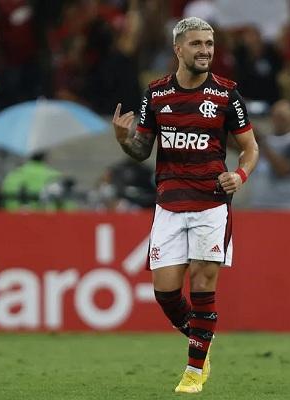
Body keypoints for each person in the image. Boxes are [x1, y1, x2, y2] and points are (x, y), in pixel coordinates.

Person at [112, 17, 259, 393]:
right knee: (165, 292)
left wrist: (239, 177)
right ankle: (201, 342)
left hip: (211, 203)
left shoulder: (227, 95)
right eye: (197, 44)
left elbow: (249, 149)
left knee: (203, 284)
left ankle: (194, 371)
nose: (205, 51)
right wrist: (123, 140)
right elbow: (142, 150)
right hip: (169, 203)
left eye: (209, 44)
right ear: (178, 49)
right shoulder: (156, 95)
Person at [249, 100, 290, 210]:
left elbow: (283, 170)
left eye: (283, 118)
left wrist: (262, 143)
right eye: (276, 117)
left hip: (286, 206)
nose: (279, 121)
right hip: (259, 205)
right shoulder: (262, 141)